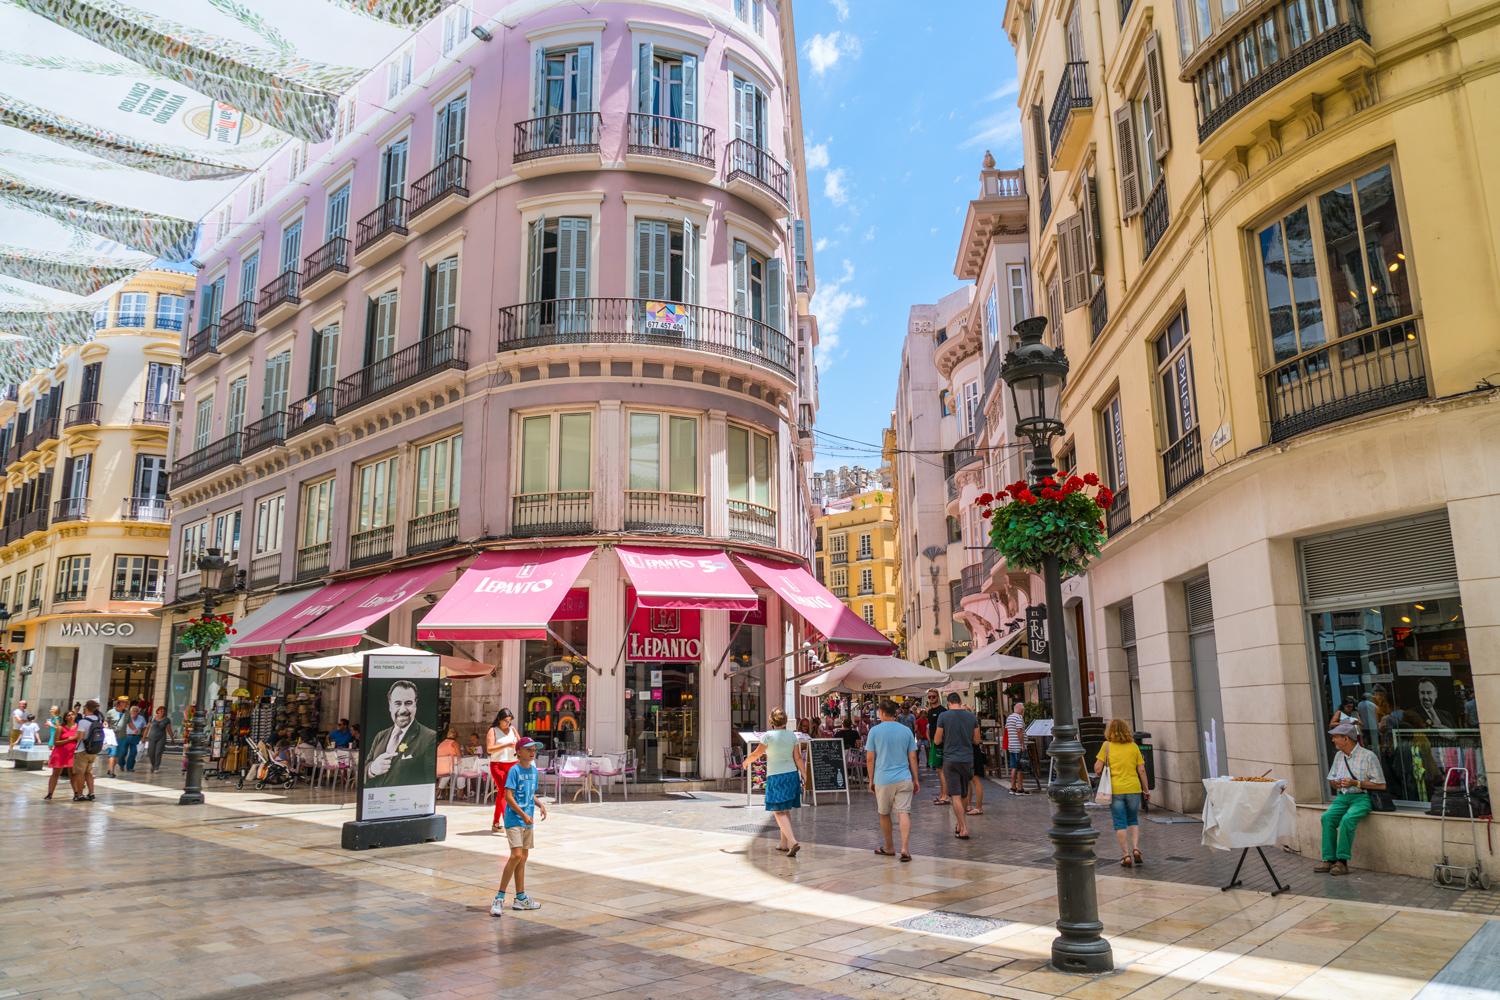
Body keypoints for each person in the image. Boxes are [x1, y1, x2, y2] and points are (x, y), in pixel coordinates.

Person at [1317, 722, 1387, 875]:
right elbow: (1332, 780)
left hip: (1362, 798)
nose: (1333, 740)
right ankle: (1329, 859)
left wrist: (1356, 782)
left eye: (1335, 737)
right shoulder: (1339, 756)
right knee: (1327, 818)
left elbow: (1381, 785)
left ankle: (1342, 862)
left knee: (1347, 820)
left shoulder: (1368, 756)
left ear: (1346, 739)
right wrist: (1335, 783)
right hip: (1342, 797)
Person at [492, 736, 547, 916]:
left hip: (528, 820)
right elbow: (508, 796)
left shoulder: (533, 771)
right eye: (529, 749)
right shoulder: (514, 770)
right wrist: (523, 814)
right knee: (516, 855)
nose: (533, 753)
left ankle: (520, 898)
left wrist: (540, 805)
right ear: (519, 751)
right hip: (515, 819)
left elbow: (530, 794)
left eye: (534, 750)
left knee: (522, 858)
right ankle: (499, 897)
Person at [741, 707, 804, 857]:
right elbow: (798, 758)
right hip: (791, 774)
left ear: (772, 721)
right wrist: (804, 774)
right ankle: (784, 843)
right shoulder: (792, 736)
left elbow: (757, 753)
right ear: (785, 721)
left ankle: (793, 841)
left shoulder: (767, 736)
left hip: (776, 776)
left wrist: (746, 762)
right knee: (786, 809)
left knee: (777, 810)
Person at [865, 700, 919, 861]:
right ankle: (905, 848)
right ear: (895, 712)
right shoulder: (906, 731)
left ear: (881, 712)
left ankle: (889, 847)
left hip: (883, 779)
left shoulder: (874, 731)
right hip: (904, 777)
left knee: (884, 813)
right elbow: (913, 756)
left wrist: (870, 779)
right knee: (904, 812)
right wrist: (916, 778)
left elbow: (870, 758)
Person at [1093, 719, 1150, 867]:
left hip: (1116, 790)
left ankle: (1126, 856)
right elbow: (1142, 770)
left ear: (1109, 731)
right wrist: (1146, 789)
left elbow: (1098, 769)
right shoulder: (1134, 747)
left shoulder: (1106, 746)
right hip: (1133, 789)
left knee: (1120, 822)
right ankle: (1136, 849)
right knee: (1133, 820)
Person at [364, 681, 437, 787]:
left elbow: (429, 781)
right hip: (378, 800)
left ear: (415, 704)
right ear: (390, 706)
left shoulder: (429, 737)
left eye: (408, 703)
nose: (403, 710)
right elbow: (365, 767)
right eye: (397, 703)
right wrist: (372, 769)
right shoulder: (380, 736)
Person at [934, 693, 981, 839]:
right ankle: (960, 825)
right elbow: (977, 740)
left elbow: (936, 740)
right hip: (967, 759)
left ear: (948, 703)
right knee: (964, 792)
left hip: (950, 759)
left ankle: (963, 827)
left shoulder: (943, 716)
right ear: (960, 702)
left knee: (955, 795)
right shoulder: (971, 717)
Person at [485, 708, 520, 833]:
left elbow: (520, 745)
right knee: (505, 793)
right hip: (498, 765)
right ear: (499, 719)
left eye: (510, 721)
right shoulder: (493, 731)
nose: (508, 723)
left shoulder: (513, 729)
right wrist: (506, 745)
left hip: (512, 765)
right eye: (505, 721)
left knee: (503, 794)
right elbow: (489, 749)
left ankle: (495, 823)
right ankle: (508, 823)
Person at [72, 699, 104, 801]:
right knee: (88, 772)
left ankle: (80, 794)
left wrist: (72, 737)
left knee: (80, 773)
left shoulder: (83, 721)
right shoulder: (98, 720)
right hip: (93, 750)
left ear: (86, 708)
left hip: (82, 750)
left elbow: (80, 737)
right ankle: (91, 793)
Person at [45, 711, 79, 800]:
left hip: (72, 753)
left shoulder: (78, 728)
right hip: (60, 753)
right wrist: (69, 740)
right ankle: (50, 793)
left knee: (73, 774)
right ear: (65, 718)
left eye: (72, 714)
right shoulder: (60, 728)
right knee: (56, 773)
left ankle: (76, 793)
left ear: (75, 716)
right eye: (68, 715)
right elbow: (56, 742)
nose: (71, 716)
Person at [924, 689, 949, 805]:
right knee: (938, 770)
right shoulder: (930, 711)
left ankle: (945, 796)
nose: (931, 699)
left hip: (941, 743)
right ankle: (942, 794)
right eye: (929, 697)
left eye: (933, 697)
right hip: (934, 742)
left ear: (938, 697)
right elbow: (930, 726)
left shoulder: (943, 711)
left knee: (941, 769)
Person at [1004, 702, 1029, 795]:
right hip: (1018, 746)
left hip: (1011, 746)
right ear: (1021, 710)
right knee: (1020, 768)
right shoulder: (1019, 717)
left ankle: (1013, 787)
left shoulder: (1009, 717)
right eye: (1023, 710)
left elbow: (1008, 730)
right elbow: (1019, 731)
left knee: (1014, 767)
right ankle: (1020, 788)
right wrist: (1022, 744)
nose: (1024, 712)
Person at [103, 696, 129, 776]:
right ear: (119, 703)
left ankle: (111, 769)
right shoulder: (111, 712)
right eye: (124, 702)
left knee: (118, 755)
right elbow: (105, 722)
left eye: (127, 703)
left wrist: (136, 730)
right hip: (112, 737)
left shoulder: (127, 713)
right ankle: (111, 772)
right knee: (113, 754)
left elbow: (130, 723)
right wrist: (105, 727)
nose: (126, 704)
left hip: (122, 737)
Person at [118, 703, 148, 773]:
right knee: (122, 752)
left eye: (136, 711)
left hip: (136, 737)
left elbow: (144, 728)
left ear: (138, 712)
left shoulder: (141, 718)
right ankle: (121, 764)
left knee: (133, 753)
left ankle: (130, 767)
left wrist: (143, 737)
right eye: (133, 711)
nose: (134, 712)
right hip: (125, 736)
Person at [144, 707, 173, 773]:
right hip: (151, 737)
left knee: (158, 752)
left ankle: (156, 767)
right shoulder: (152, 718)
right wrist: (144, 737)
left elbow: (169, 729)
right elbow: (147, 728)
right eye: (161, 710)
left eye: (164, 711)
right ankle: (153, 765)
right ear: (158, 711)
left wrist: (172, 738)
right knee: (151, 753)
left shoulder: (167, 719)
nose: (162, 712)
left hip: (161, 738)